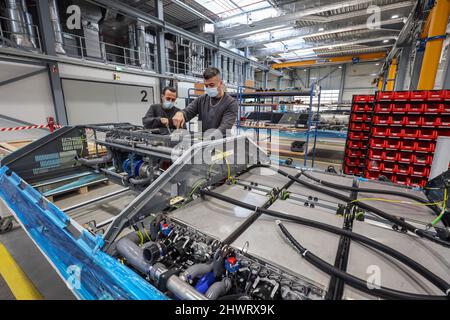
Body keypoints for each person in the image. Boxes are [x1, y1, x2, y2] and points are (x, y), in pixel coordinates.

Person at [172, 67, 238, 134]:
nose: (208, 88)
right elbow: (188, 111)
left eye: (211, 85)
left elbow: (224, 127)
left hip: (221, 142)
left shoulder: (231, 103)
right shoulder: (201, 99)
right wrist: (180, 114)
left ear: (220, 83)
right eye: (206, 86)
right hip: (203, 140)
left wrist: (208, 139)